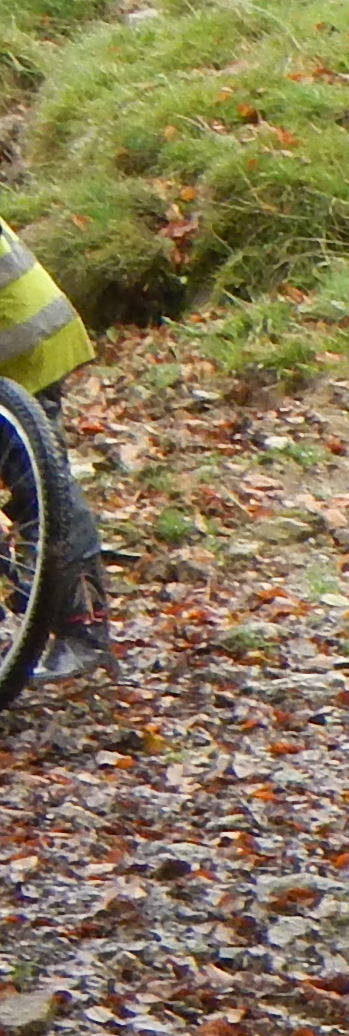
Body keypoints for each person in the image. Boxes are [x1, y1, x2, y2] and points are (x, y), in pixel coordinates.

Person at [0, 214, 112, 685]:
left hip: (21, 344)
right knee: (41, 486)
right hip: (28, 334)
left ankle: (84, 630)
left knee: (43, 490)